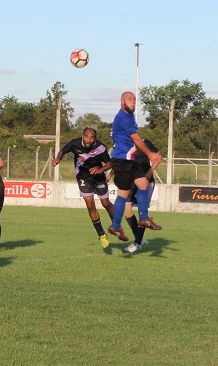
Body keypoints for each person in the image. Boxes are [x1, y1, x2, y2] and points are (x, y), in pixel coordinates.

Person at [107, 92, 163, 240]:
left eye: (134, 99)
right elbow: (137, 139)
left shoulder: (129, 116)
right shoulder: (124, 118)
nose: (133, 102)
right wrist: (150, 154)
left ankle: (143, 218)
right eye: (129, 99)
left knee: (143, 183)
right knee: (124, 193)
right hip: (122, 160)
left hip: (130, 160)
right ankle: (116, 225)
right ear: (122, 101)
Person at [52, 127, 116, 249]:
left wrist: (101, 170)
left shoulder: (100, 147)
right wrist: (58, 159)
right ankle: (101, 235)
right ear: (83, 136)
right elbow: (62, 151)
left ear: (95, 139)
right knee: (90, 205)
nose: (89, 140)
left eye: (92, 138)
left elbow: (110, 163)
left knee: (105, 203)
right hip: (83, 177)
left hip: (99, 177)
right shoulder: (75, 143)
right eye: (86, 137)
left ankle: (116, 224)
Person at [124, 138, 161, 254]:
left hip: (145, 182)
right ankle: (140, 239)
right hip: (130, 182)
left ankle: (137, 243)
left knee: (142, 214)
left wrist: (149, 172)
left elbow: (159, 157)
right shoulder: (122, 144)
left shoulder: (145, 142)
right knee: (127, 211)